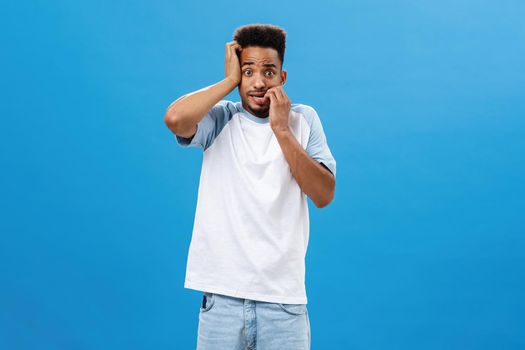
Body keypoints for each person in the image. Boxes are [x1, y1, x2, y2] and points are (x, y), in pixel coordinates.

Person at [164, 23, 336, 350]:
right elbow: (174, 119)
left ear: (282, 78)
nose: (258, 82)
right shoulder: (219, 118)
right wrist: (228, 81)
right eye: (248, 71)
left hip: (284, 303)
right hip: (222, 300)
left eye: (269, 72)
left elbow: (324, 194)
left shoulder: (304, 120)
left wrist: (282, 130)